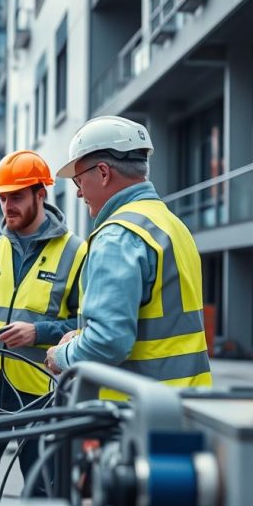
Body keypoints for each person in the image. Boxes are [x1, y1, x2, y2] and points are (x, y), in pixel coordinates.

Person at [46, 116, 212, 397]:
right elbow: (156, 323)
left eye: (78, 179)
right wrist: (83, 336)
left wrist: (62, 355)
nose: (77, 192)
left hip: (135, 412)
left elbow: (108, 342)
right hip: (186, 405)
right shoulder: (170, 225)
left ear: (102, 172)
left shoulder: (117, 236)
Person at [0, 150, 86, 497]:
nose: (7, 205)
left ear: (41, 194)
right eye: (3, 198)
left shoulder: (75, 252)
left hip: (39, 389)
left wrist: (38, 332)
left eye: (16, 197)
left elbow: (86, 324)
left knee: (43, 490)